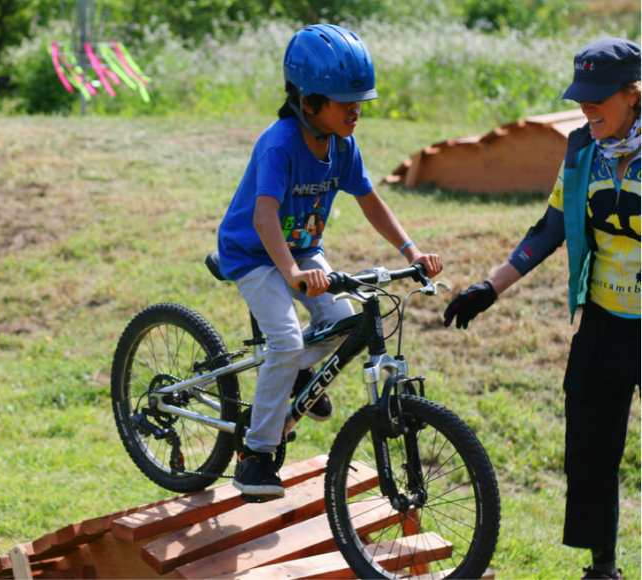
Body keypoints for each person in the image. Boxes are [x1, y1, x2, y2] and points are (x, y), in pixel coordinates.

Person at [216, 24, 441, 501]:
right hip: (255, 254)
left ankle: (297, 374)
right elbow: (263, 217)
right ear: (308, 101)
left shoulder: (342, 144)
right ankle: (255, 454)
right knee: (286, 338)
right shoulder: (280, 143)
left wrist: (411, 251)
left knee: (345, 324)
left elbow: (371, 200)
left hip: (301, 252)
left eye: (361, 100)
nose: (356, 109)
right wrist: (294, 274)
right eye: (345, 101)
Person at [443, 37, 641, 580]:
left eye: (600, 97)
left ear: (633, 94)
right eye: (583, 96)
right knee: (590, 450)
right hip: (604, 321)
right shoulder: (582, 149)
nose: (587, 107)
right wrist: (491, 287)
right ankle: (603, 568)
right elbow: (551, 227)